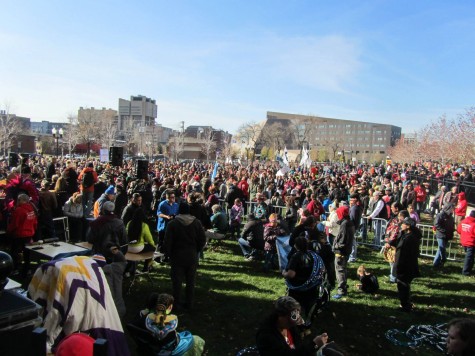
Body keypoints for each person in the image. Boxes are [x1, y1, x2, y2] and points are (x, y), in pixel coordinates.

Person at [163, 202, 206, 311]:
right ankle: (189, 304)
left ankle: (176, 304)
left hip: (177, 255)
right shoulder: (196, 223)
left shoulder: (173, 224)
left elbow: (167, 241)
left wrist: (168, 254)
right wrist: (197, 249)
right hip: (191, 255)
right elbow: (202, 239)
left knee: (177, 281)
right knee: (191, 281)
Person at [131, 293, 205, 355]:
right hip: (167, 350)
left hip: (149, 347)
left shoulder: (140, 319)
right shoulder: (168, 321)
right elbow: (169, 341)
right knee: (197, 340)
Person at [256, 296, 331, 355]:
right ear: (280, 315)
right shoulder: (266, 336)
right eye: (291, 317)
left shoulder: (290, 327)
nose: (294, 322)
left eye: (296, 316)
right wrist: (314, 345)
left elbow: (299, 347)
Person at [282, 236, 325, 325]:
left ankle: (295, 323)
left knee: (294, 307)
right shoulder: (313, 256)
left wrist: (284, 273)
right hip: (312, 287)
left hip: (297, 288)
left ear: (296, 246)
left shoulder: (296, 256)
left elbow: (291, 274)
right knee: (309, 306)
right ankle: (307, 325)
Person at [389, 217, 421, 312]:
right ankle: (405, 303)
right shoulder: (408, 235)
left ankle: (405, 305)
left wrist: (398, 266)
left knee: (403, 285)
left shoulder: (409, 239)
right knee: (404, 285)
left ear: (408, 226)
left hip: (405, 265)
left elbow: (403, 253)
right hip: (406, 264)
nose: (401, 225)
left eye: (403, 224)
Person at [6, 193, 38, 274]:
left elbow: (14, 224)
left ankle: (15, 268)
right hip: (29, 233)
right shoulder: (31, 209)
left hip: (19, 234)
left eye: (18, 200)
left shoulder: (19, 210)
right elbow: (35, 222)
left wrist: (8, 231)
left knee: (14, 252)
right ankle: (27, 269)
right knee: (27, 252)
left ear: (21, 200)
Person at [332, 205, 355, 299]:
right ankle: (344, 285)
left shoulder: (345, 224)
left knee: (340, 270)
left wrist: (336, 246)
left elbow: (343, 238)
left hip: (341, 251)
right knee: (343, 269)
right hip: (346, 250)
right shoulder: (349, 222)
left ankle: (341, 290)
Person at [127, 207, 157, 272]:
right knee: (152, 248)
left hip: (128, 247)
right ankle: (146, 267)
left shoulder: (129, 223)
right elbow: (149, 239)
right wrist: (153, 245)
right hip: (138, 248)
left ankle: (129, 268)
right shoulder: (144, 225)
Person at [433, 203, 455, 268]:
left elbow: (452, 225)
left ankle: (436, 263)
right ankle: (443, 260)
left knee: (440, 249)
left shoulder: (451, 216)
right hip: (441, 235)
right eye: (452, 209)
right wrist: (443, 230)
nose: (453, 210)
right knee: (442, 248)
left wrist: (452, 230)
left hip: (447, 235)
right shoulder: (440, 215)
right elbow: (436, 224)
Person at [457, 210, 475, 276]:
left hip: (464, 241)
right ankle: (465, 271)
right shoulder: (474, 224)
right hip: (471, 243)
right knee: (469, 257)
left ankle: (469, 269)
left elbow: (459, 230)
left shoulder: (463, 221)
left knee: (470, 257)